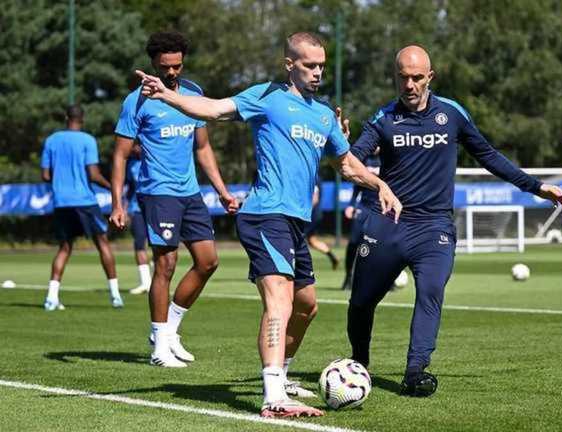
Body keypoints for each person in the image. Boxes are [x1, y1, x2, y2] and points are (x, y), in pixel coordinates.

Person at [134, 32, 401, 417]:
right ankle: (274, 395)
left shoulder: (323, 114)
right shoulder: (266, 97)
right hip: (264, 214)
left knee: (307, 306)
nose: (317, 73)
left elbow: (346, 164)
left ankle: (284, 375)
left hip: (295, 221)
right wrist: (167, 94)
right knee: (280, 300)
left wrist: (379, 183)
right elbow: (212, 109)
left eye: (322, 66)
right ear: (289, 64)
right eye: (309, 65)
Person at [347, 45, 562, 397]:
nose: (409, 84)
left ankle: (415, 371)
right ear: (394, 77)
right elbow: (352, 161)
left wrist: (536, 187)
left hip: (433, 227)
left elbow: (489, 156)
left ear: (430, 77)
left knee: (431, 293)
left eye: (417, 77)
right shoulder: (383, 119)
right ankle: (358, 365)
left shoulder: (451, 114)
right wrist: (340, 146)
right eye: (403, 77)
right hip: (386, 223)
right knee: (361, 303)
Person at [110, 31, 239, 368]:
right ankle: (158, 348)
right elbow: (120, 155)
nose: (171, 72)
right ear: (153, 63)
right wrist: (117, 203)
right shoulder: (136, 101)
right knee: (165, 265)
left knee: (208, 261)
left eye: (177, 66)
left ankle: (170, 332)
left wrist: (222, 191)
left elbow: (203, 148)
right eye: (165, 66)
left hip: (190, 192)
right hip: (157, 193)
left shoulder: (193, 94)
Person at [40, 105, 124, 311]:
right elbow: (93, 174)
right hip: (85, 201)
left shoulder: (51, 140)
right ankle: (115, 296)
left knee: (64, 248)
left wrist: (61, 183)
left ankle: (51, 298)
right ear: (82, 119)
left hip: (61, 202)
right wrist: (112, 187)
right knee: (102, 244)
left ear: (66, 117)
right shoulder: (87, 140)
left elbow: (45, 175)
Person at [341, 153, 381, 291]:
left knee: (381, 245)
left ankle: (386, 279)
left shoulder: (388, 157)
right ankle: (348, 277)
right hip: (364, 206)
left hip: (381, 207)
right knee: (353, 242)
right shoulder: (363, 159)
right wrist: (351, 204)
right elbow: (357, 185)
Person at [125, 144, 152, 295]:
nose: (134, 149)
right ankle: (145, 283)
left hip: (155, 207)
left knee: (158, 244)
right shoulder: (131, 164)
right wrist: (124, 207)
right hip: (136, 209)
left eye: (137, 145)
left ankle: (158, 280)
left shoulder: (153, 158)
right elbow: (130, 188)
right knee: (139, 244)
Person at [303, 175, 340, 270]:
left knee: (297, 239)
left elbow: (314, 198)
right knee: (312, 240)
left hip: (311, 215)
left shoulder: (312, 176)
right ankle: (332, 257)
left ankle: (302, 267)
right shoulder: (316, 177)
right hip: (316, 214)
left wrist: (304, 212)